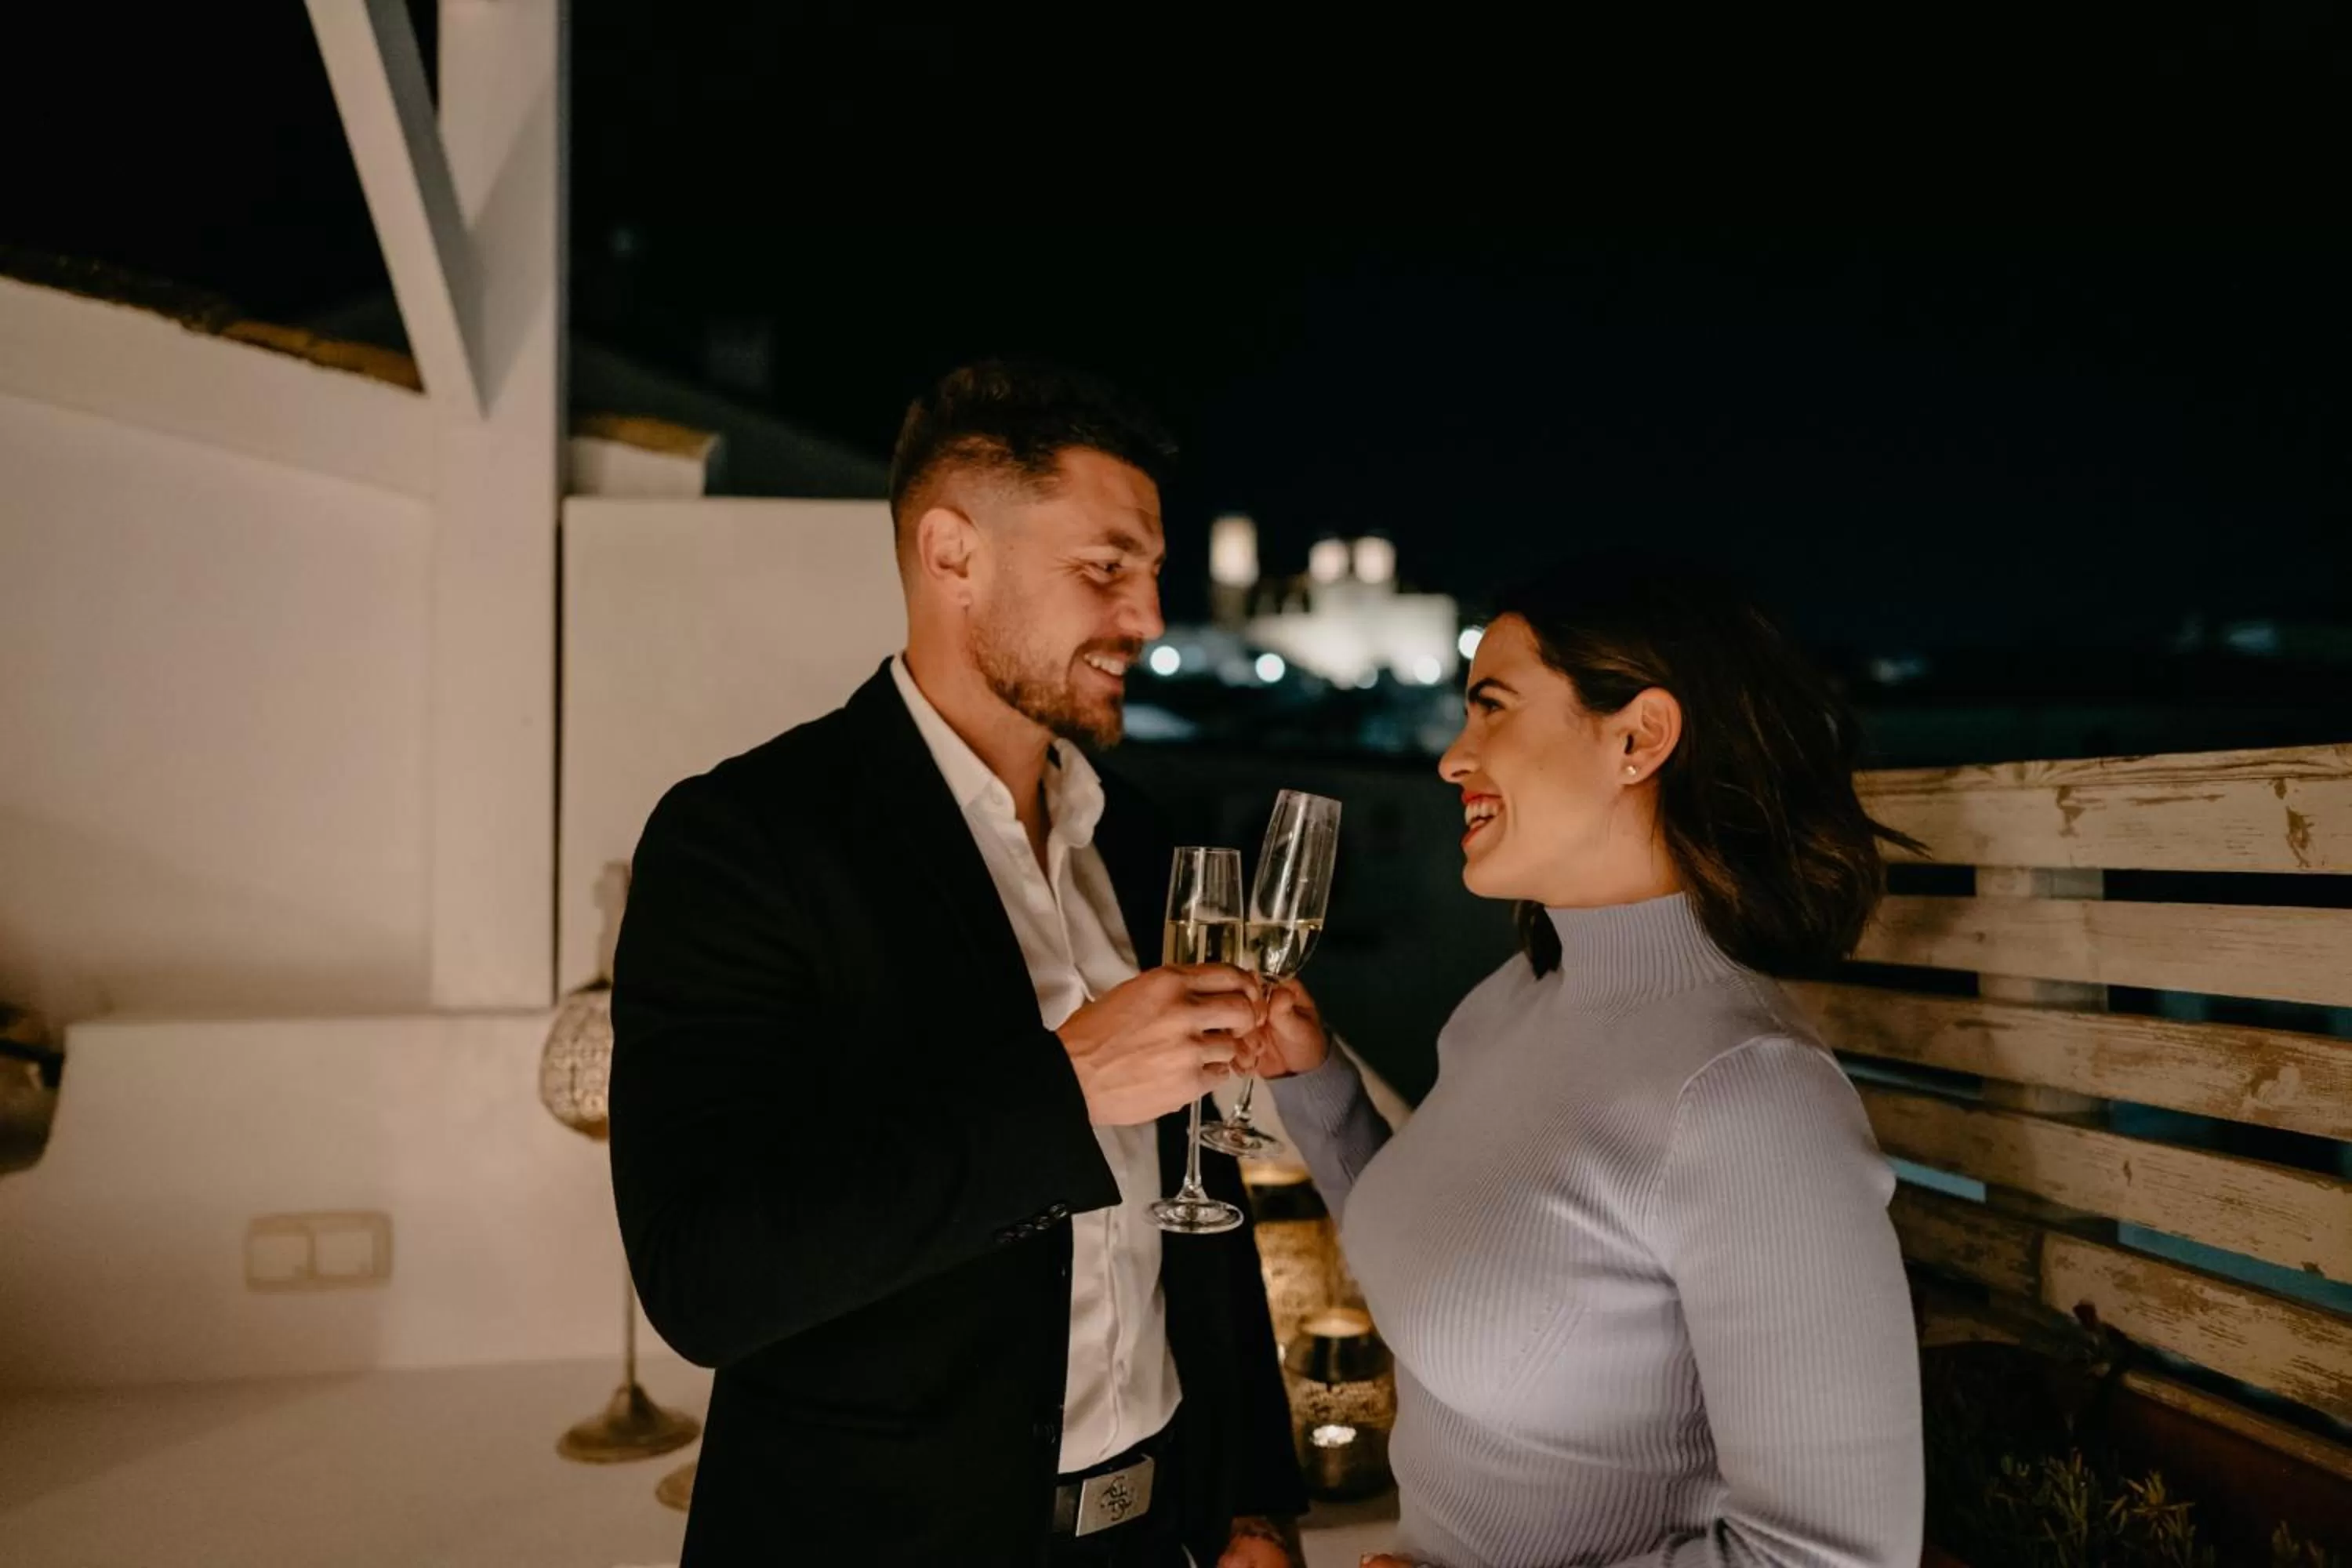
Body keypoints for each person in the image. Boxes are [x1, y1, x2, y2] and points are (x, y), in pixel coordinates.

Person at [609, 361, 1305, 1566]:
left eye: (1151, 572)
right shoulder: (746, 839)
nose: (1148, 618)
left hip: (1157, 1537)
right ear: (952, 555)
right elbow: (704, 1279)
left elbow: (1203, 1199)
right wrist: (1066, 1088)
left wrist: (1250, 1497)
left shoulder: (1140, 841)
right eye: (1107, 567)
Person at [1256, 564, 1926, 1568]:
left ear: (1638, 738)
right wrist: (1314, 1082)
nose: (1452, 757)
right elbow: (1450, 1254)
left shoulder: (1749, 1092)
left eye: (1492, 706)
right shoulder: (1509, 1001)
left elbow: (1830, 1557)